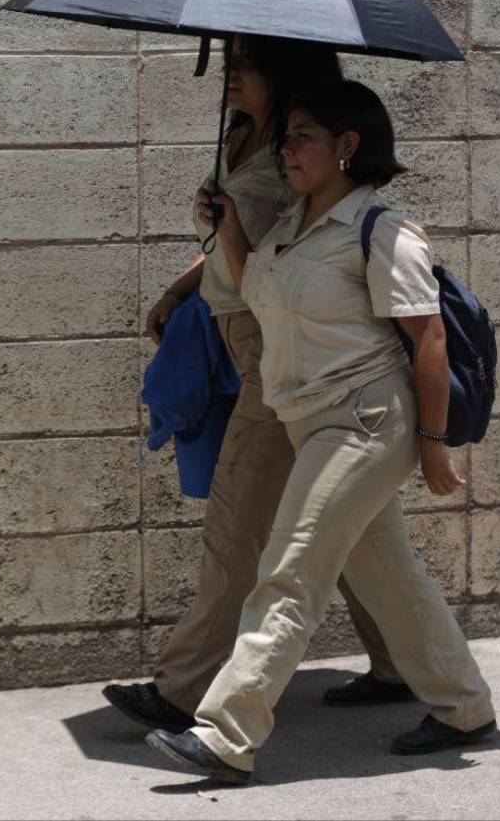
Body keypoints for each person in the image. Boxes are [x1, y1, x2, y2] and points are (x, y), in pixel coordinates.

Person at [144, 79, 497, 785]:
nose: (287, 147)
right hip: (311, 420)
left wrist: (431, 447)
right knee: (388, 575)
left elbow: (426, 340)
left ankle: (226, 731)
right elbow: (256, 293)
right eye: (287, 135)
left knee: (291, 566)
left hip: (364, 421)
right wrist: (231, 230)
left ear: (348, 145)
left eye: (303, 135)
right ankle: (465, 707)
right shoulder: (293, 225)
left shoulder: (382, 228)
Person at [103, 36, 412, 735]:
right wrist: (186, 284)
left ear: (284, 68)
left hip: (276, 349)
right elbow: (228, 241)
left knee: (239, 518)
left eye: (247, 59)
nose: (231, 70)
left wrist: (229, 231)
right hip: (240, 332)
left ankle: (183, 689)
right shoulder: (247, 136)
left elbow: (275, 267)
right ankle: (407, 665)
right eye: (230, 56)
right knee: (357, 531)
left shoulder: (296, 156)